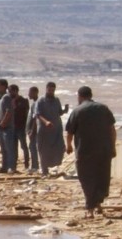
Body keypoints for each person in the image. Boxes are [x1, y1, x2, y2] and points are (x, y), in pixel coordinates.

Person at [64, 85, 117, 217]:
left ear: (80, 96)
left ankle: (90, 208)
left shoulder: (77, 111)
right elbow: (112, 130)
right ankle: (97, 203)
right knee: (101, 177)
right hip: (104, 151)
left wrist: (68, 146)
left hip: (85, 151)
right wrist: (113, 147)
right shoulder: (103, 109)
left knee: (87, 178)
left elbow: (69, 132)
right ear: (91, 95)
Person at [33, 82, 65, 175]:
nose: (51, 92)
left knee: (59, 148)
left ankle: (53, 166)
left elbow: (59, 112)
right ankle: (44, 170)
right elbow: (37, 114)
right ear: (46, 89)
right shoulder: (41, 100)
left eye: (53, 90)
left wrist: (64, 110)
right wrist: (46, 122)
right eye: (49, 90)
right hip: (44, 130)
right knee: (44, 149)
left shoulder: (56, 100)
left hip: (56, 129)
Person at [0, 81, 27, 173]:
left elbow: (8, 112)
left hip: (7, 127)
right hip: (1, 127)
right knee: (3, 149)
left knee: (10, 149)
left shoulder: (7, 98)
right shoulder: (0, 98)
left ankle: (11, 167)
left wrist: (3, 123)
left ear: (4, 87)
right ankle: (4, 166)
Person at [23, 86, 40, 171]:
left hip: (33, 131)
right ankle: (34, 165)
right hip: (31, 130)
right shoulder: (34, 103)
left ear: (35, 93)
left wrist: (32, 131)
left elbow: (35, 118)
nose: (28, 94)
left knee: (33, 147)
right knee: (32, 147)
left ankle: (35, 166)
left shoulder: (36, 103)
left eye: (30, 92)